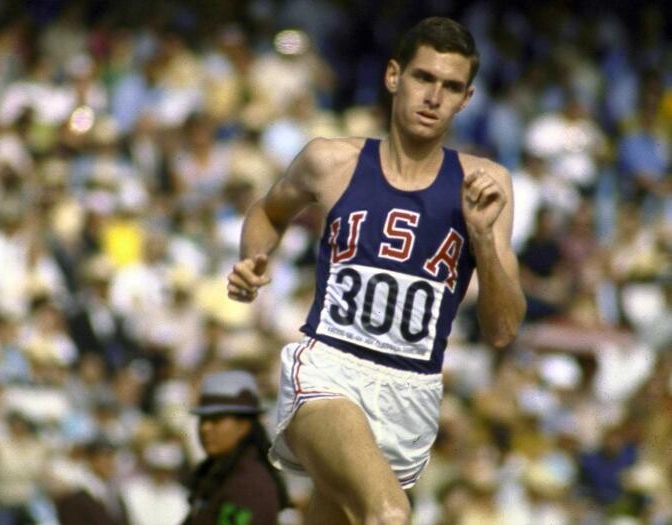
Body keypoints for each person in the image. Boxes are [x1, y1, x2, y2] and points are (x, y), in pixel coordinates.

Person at [227, 16, 525, 524]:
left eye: (451, 87)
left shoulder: (485, 184)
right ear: (393, 76)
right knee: (388, 513)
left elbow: (503, 329)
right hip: (329, 369)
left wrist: (480, 238)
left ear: (466, 99)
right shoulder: (331, 160)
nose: (434, 97)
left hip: (413, 390)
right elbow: (268, 212)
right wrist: (253, 259)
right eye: (423, 77)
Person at [182, 370, 289, 525]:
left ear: (243, 426)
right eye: (203, 419)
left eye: (216, 420)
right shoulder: (220, 473)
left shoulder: (248, 485)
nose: (205, 428)